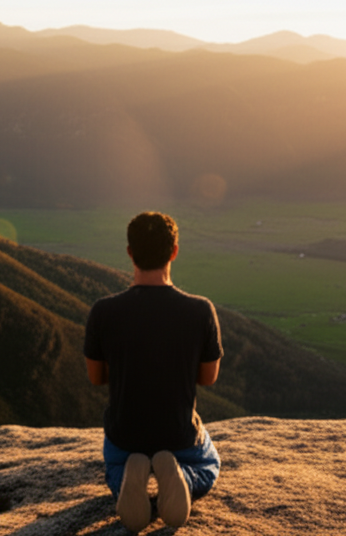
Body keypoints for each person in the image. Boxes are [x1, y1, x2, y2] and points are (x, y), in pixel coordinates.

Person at [84, 211, 223, 532]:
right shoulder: (201, 310)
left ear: (130, 252)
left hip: (125, 435)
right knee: (209, 463)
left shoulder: (103, 311)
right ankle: (184, 477)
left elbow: (96, 377)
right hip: (178, 434)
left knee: (117, 464)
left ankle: (127, 480)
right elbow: (207, 378)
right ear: (174, 251)